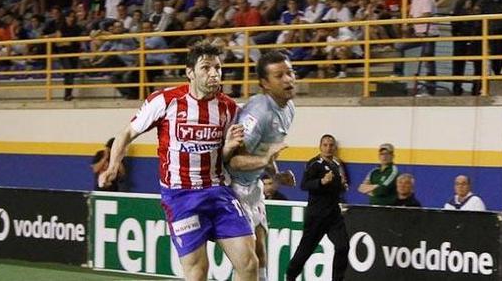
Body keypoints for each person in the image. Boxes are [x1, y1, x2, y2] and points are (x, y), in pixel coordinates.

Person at [98, 41, 259, 281]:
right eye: (206, 68)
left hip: (218, 191)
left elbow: (224, 156)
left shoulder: (228, 108)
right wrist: (112, 166)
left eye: (218, 67)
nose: (214, 73)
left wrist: (229, 148)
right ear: (190, 72)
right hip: (181, 196)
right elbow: (126, 134)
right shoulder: (165, 101)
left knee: (248, 263)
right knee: (197, 272)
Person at [226, 50, 297, 281]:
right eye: (279, 75)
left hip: (254, 186)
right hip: (232, 188)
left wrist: (275, 175)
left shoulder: (289, 108)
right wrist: (266, 161)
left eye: (290, 72)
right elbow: (234, 161)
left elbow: (265, 151)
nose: (288, 79)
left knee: (261, 251)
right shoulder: (258, 113)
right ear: (265, 84)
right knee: (247, 262)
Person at [286, 134, 349, 281]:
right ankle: (290, 276)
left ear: (334, 148)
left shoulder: (337, 165)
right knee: (305, 250)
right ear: (320, 147)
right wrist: (321, 181)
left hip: (333, 215)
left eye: (331, 145)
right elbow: (304, 184)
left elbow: (335, 187)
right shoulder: (314, 164)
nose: (328, 148)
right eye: (325, 145)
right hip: (317, 215)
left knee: (343, 246)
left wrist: (341, 186)